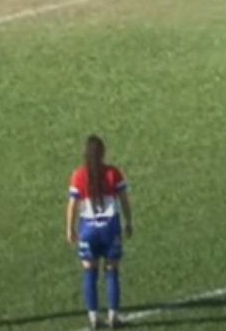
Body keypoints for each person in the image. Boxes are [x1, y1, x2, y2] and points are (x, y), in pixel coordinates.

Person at [67, 135, 133, 330]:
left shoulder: (79, 175)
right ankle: (113, 316)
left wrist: (69, 228)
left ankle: (94, 318)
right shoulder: (113, 173)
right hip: (110, 228)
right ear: (102, 153)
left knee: (90, 271)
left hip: (88, 230)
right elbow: (124, 200)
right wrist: (128, 221)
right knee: (112, 271)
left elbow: (72, 204)